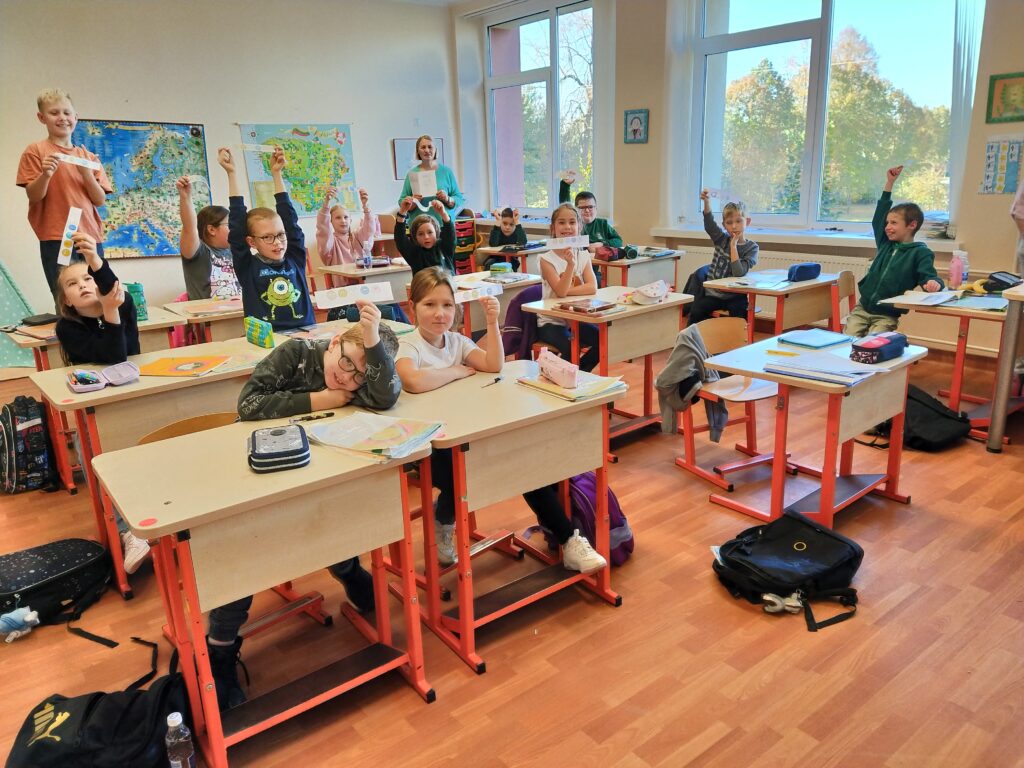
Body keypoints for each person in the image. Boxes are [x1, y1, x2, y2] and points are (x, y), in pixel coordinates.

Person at [208, 300, 402, 710]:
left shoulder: (363, 380)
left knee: (329, 518)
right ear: (333, 343)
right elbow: (248, 405)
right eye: (346, 362)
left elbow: (386, 397)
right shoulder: (296, 354)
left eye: (359, 374)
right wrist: (322, 399)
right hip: (258, 476)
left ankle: (347, 569)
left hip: (314, 477)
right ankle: (220, 648)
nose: (347, 377)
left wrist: (371, 343)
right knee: (244, 555)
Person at [395, 266, 606, 574]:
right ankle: (444, 519)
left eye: (447, 305)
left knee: (521, 464)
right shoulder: (409, 344)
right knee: (462, 476)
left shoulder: (456, 341)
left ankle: (569, 540)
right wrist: (455, 371)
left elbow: (493, 364)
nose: (439, 313)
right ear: (412, 306)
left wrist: (493, 322)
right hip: (431, 447)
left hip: (468, 434)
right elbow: (412, 380)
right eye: (429, 304)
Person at [53, 232, 150, 575]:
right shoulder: (67, 328)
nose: (83, 285)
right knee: (93, 457)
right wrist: (109, 311)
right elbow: (112, 356)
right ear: (66, 301)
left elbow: (112, 288)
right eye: (72, 284)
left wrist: (95, 259)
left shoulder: (124, 305)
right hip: (95, 407)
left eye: (89, 278)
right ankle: (128, 533)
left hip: (133, 398)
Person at [16, 88, 113, 294]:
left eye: (67, 113)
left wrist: (86, 174)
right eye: (54, 113)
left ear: (76, 117)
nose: (62, 118)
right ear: (41, 118)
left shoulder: (88, 157)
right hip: (57, 236)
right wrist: (46, 174)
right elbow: (34, 195)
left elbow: (99, 200)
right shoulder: (36, 151)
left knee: (99, 291)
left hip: (90, 235)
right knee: (66, 295)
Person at [219, 146, 314, 330]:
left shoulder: (295, 258)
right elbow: (237, 230)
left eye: (280, 235)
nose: (277, 242)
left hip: (305, 334)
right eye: (267, 237)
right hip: (267, 339)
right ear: (251, 242)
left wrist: (277, 174)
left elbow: (291, 222)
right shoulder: (247, 266)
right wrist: (231, 173)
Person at [844, 165, 943, 337]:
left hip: (887, 315)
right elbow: (879, 217)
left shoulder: (920, 253)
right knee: (847, 341)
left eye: (894, 223)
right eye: (887, 223)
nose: (887, 227)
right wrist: (889, 183)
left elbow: (929, 276)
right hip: (863, 308)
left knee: (873, 344)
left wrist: (934, 284)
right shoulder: (885, 243)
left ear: (912, 225)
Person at [536, 203, 601, 372]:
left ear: (579, 227)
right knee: (570, 346)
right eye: (561, 222)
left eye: (572, 222)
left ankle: (579, 373)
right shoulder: (546, 259)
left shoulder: (583, 255)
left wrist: (564, 292)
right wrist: (570, 265)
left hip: (576, 318)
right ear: (553, 228)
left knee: (603, 340)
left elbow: (592, 287)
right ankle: (559, 377)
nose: (567, 227)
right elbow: (560, 291)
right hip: (551, 322)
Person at [688, 190, 758, 325]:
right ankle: (692, 337)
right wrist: (706, 202)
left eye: (738, 221)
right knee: (696, 311)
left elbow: (738, 272)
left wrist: (733, 246)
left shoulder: (752, 248)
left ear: (747, 221)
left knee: (740, 317)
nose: (734, 226)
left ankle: (737, 338)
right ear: (724, 225)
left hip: (735, 296)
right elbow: (709, 224)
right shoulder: (721, 239)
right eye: (729, 223)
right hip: (713, 295)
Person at [175, 176, 240, 300]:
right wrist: (185, 197)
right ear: (211, 230)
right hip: (207, 312)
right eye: (229, 225)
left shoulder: (235, 251)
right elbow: (189, 227)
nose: (234, 229)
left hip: (237, 310)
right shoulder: (200, 253)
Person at [396, 134, 465, 229]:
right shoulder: (412, 174)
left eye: (430, 147)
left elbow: (459, 199)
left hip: (444, 225)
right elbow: (401, 202)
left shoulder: (446, 172)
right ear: (418, 151)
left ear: (435, 150)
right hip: (419, 227)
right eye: (423, 147)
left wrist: (447, 199)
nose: (427, 150)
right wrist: (412, 201)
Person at [317, 186, 378, 288]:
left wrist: (365, 206)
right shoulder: (330, 242)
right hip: (343, 289)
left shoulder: (357, 236)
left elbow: (369, 230)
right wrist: (326, 203)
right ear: (330, 221)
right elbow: (323, 228)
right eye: (338, 218)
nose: (343, 221)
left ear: (350, 220)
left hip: (364, 285)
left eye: (346, 217)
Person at [557, 171, 623, 251]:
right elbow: (565, 206)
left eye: (590, 207)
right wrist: (565, 185)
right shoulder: (573, 224)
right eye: (582, 207)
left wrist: (603, 244)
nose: (587, 210)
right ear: (576, 210)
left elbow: (619, 241)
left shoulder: (603, 224)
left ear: (596, 209)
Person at [394, 197, 455, 275]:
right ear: (415, 237)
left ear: (436, 233)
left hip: (445, 283)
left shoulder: (444, 248)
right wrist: (402, 211)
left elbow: (450, 232)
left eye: (430, 232)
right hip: (423, 283)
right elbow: (400, 239)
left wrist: (443, 213)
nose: (426, 237)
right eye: (420, 234)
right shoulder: (414, 253)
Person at [484, 207, 527, 271]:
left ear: (515, 225)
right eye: (504, 223)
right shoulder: (497, 231)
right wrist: (498, 221)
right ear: (500, 222)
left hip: (511, 260)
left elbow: (523, 242)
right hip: (495, 259)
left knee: (513, 264)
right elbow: (493, 244)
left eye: (511, 224)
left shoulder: (517, 231)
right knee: (489, 264)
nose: (507, 227)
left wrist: (516, 221)